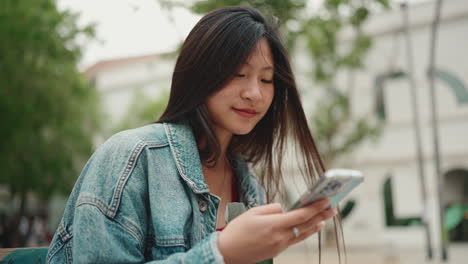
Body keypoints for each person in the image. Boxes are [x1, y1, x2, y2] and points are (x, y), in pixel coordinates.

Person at [46, 6, 339, 264]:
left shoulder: (251, 186)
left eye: (266, 79)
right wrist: (220, 253)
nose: (254, 93)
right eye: (239, 74)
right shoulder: (131, 157)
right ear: (200, 73)